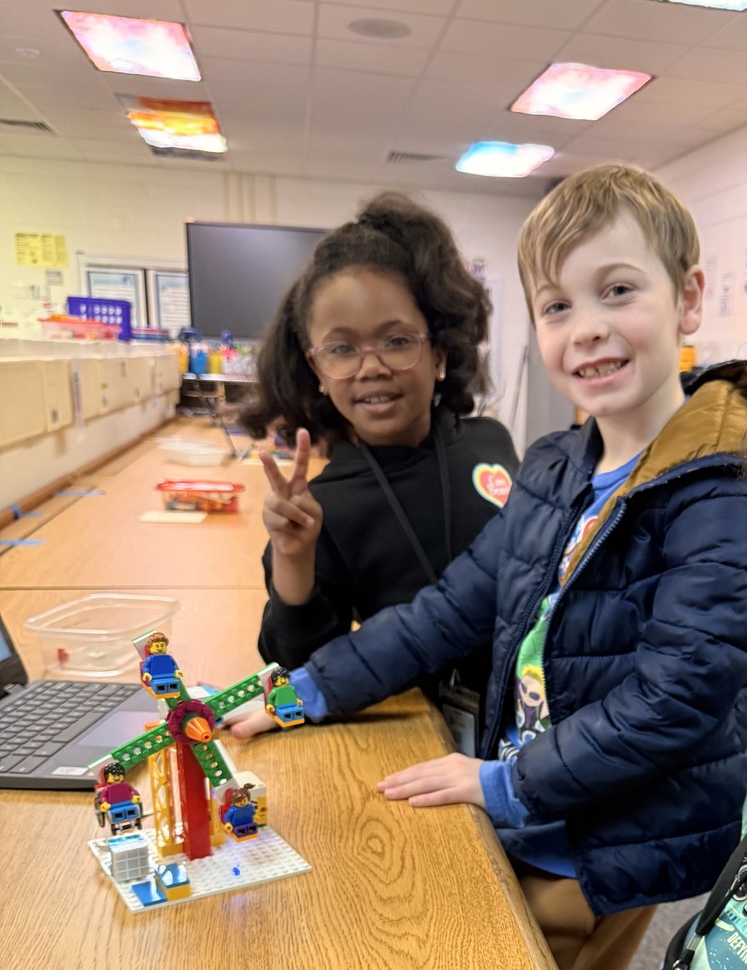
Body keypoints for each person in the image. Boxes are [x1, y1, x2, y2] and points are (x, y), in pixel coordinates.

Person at [232, 165, 747, 970]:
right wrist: (310, 690)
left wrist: (500, 783)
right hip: (543, 800)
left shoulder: (717, 485)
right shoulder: (552, 466)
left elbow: (677, 693)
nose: (585, 328)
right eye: (556, 305)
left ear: (686, 298)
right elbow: (447, 610)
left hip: (622, 831)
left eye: (617, 290)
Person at [238, 190, 518, 751]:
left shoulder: (492, 443)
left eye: (396, 341)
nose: (372, 367)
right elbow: (298, 662)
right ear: (316, 368)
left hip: (530, 711)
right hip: (416, 734)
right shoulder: (324, 506)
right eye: (342, 349)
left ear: (439, 352)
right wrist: (294, 556)